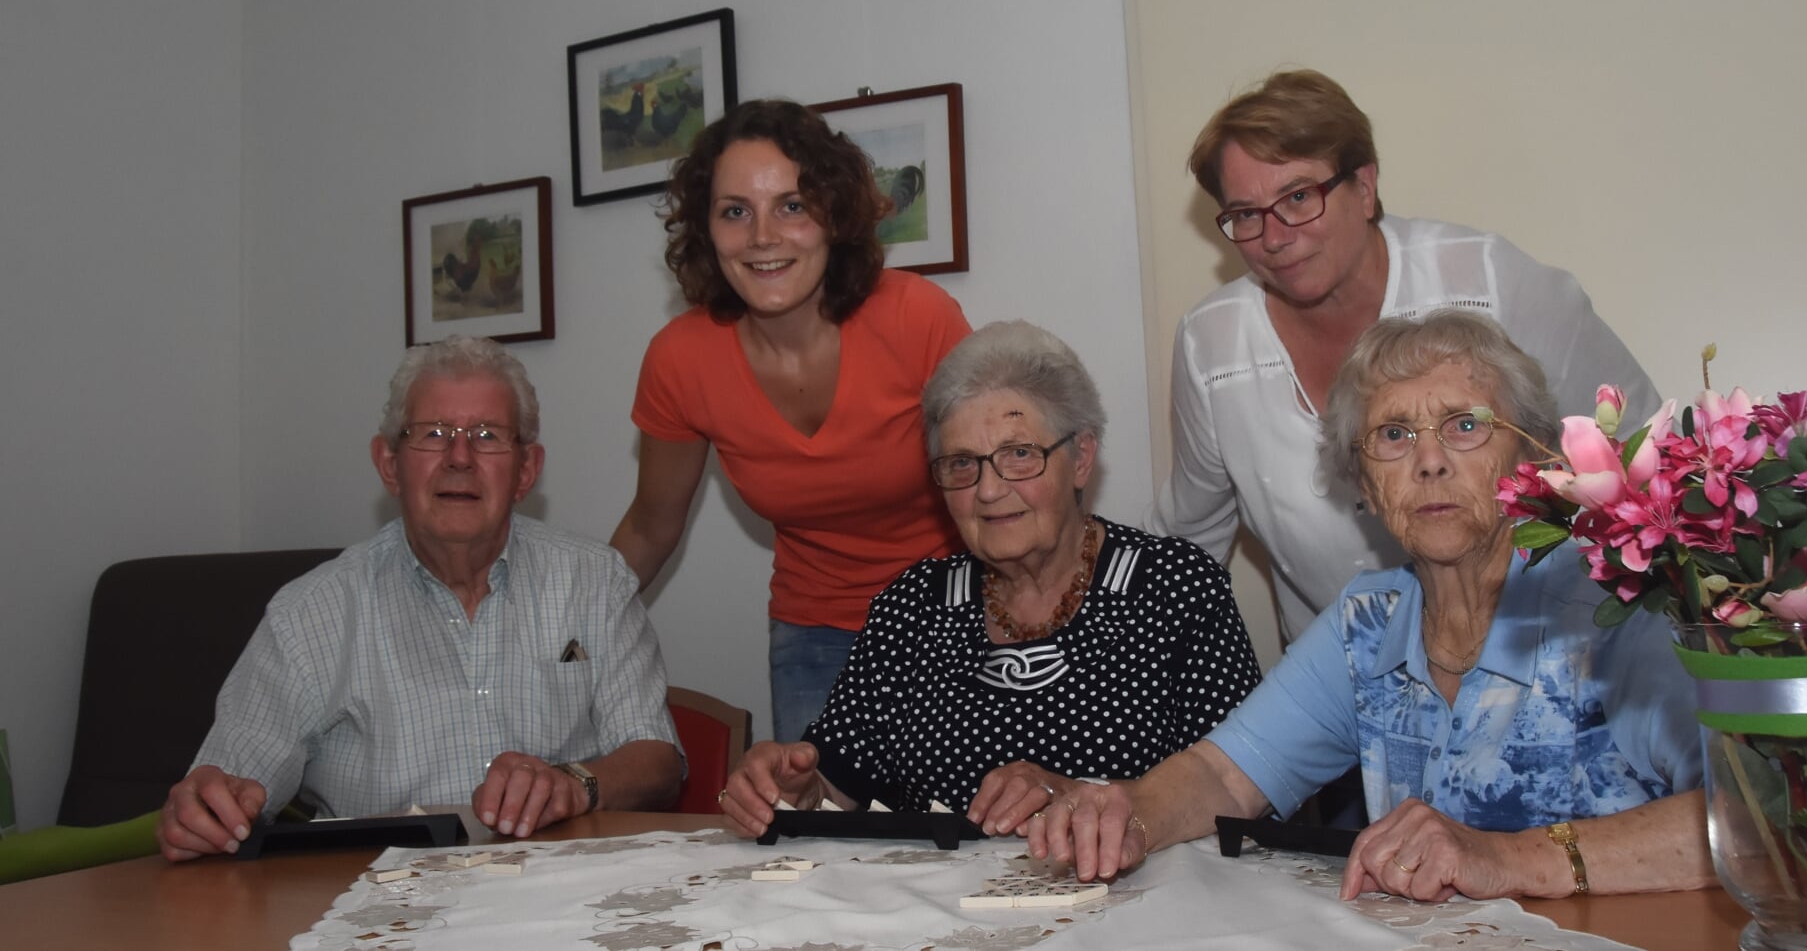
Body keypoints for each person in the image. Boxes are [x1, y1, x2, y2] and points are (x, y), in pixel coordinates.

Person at [1036, 311, 1710, 901]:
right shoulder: (1370, 622)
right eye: (1393, 436)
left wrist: (1505, 858)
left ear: (1530, 456)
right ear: (1362, 480)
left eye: (1465, 425)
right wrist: (1129, 810)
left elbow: (1756, 820)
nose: (1428, 462)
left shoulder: (1617, 606)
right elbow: (1223, 774)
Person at [1147, 69, 1659, 646]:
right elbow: (1187, 546)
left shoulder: (1489, 281)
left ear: (1364, 187)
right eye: (1245, 213)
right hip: (1341, 687)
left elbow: (1642, 460)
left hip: (1544, 658)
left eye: (1297, 197)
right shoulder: (1211, 344)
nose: (1274, 236)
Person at [717, 321, 1263, 837]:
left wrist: (1081, 796)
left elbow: (1245, 786)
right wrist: (795, 788)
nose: (987, 489)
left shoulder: (1176, 589)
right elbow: (839, 785)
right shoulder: (913, 608)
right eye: (961, 463)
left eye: (1019, 455)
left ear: (1081, 459)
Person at [157, 336, 683, 862]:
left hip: (561, 896)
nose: (460, 457)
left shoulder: (594, 581)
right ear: (388, 464)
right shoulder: (310, 615)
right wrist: (205, 810)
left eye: (487, 435)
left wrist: (573, 784)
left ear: (526, 471)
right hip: (379, 913)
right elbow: (227, 786)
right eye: (433, 434)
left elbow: (658, 760)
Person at [611, 99, 971, 741]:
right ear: (706, 229)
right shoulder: (680, 359)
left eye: (792, 205)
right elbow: (649, 526)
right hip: (816, 633)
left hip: (954, 611)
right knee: (830, 838)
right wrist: (565, 627)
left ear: (834, 217)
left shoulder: (919, 318)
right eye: (735, 212)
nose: (762, 237)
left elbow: (1001, 486)